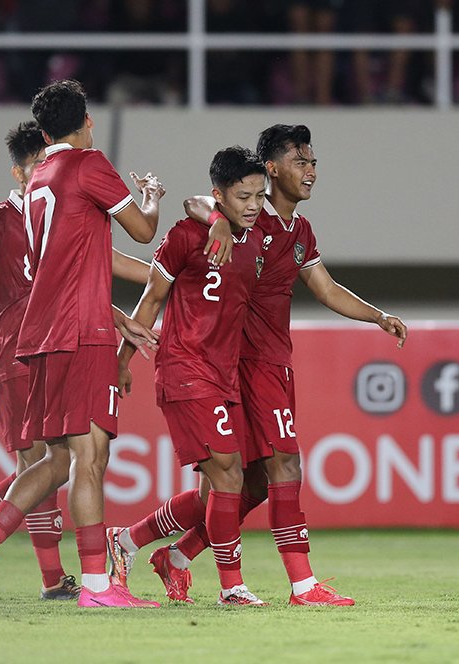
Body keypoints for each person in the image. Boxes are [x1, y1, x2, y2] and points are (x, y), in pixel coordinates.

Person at [144, 124, 407, 605]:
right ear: (271, 169)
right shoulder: (248, 216)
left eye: (313, 162)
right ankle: (302, 585)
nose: (311, 171)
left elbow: (324, 288)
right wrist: (219, 221)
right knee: (282, 465)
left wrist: (378, 316)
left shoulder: (299, 231)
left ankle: (166, 553)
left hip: (269, 360)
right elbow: (197, 203)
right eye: (300, 162)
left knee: (246, 484)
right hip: (240, 362)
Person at [0, 79, 164, 608]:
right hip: (79, 334)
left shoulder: (39, 176)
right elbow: (141, 232)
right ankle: (95, 585)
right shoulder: (88, 166)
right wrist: (152, 200)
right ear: (87, 122)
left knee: (56, 460)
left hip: (40, 337)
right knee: (90, 458)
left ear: (43, 133)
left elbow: (69, 263)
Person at [112, 146, 269, 606]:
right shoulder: (185, 236)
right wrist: (123, 360)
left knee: (218, 493)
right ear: (220, 194)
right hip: (185, 367)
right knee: (229, 476)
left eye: (259, 195)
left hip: (227, 375)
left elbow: (204, 203)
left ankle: (131, 542)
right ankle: (231, 587)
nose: (254, 205)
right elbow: (151, 299)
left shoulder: (256, 236)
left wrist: (221, 217)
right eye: (243, 197)